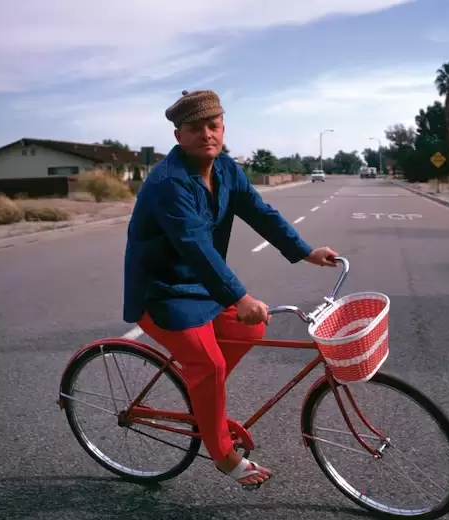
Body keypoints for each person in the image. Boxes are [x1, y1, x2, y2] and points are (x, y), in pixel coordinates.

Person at [123, 89, 338, 489]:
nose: (206, 134)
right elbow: (196, 247)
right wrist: (239, 297)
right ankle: (222, 453)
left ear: (223, 128)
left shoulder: (225, 169)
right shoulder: (169, 183)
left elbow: (261, 212)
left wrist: (306, 252)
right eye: (195, 128)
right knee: (210, 364)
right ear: (178, 136)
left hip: (201, 286)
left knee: (251, 328)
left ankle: (204, 397)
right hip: (162, 292)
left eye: (213, 125)